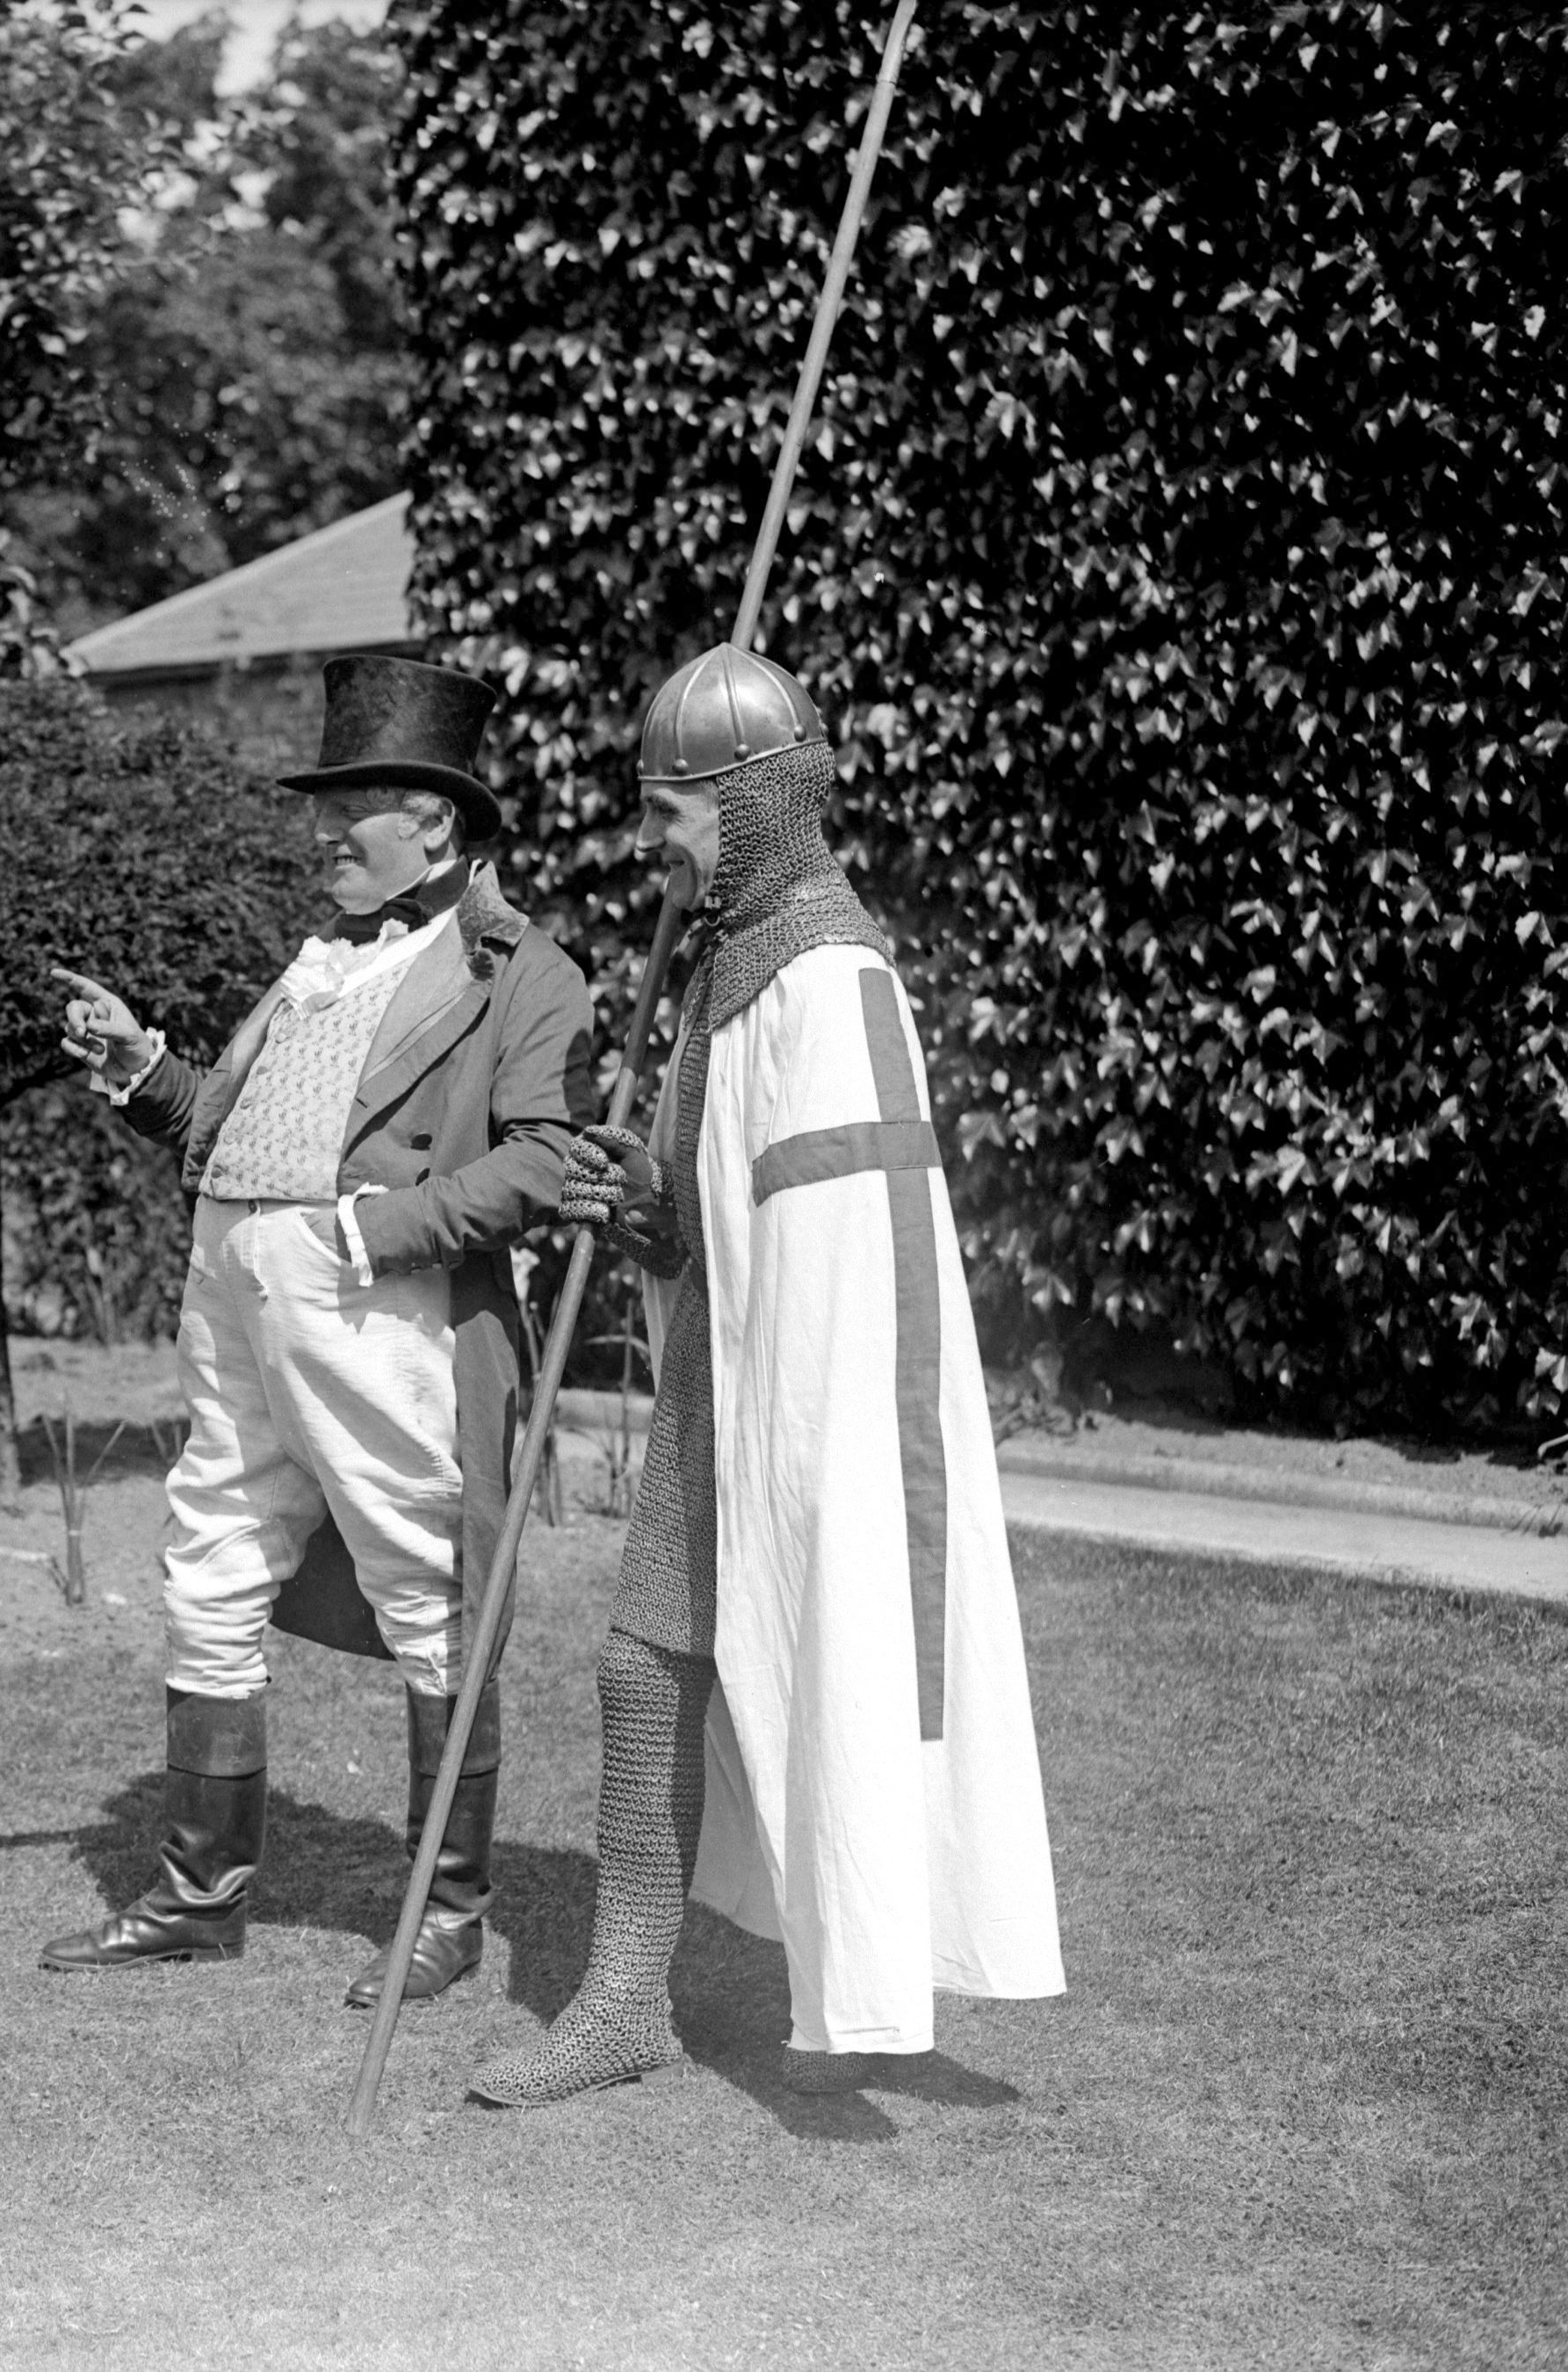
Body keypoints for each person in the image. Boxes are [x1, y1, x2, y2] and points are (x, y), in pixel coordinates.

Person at [468, 643, 1064, 2108]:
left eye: (671, 812)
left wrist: (787, 1437)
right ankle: (623, 2006)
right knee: (639, 1672)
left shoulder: (832, 980)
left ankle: (657, 2000)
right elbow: (728, 1214)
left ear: (753, 804)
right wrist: (655, 1211)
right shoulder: (736, 973)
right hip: (720, 1391)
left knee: (695, 1669)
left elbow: (852, 1261)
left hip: (792, 1410)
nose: (652, 844)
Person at [39, 656, 595, 2006]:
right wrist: (143, 1069)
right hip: (233, 1305)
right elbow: (235, 1140)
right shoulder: (312, 970)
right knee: (210, 1568)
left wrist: (366, 1234)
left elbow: (547, 1166)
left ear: (440, 829)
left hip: (379, 1317)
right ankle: (197, 1892)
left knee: (426, 1597)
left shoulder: (522, 972)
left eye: (359, 805)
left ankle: (444, 1914)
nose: (327, 832)